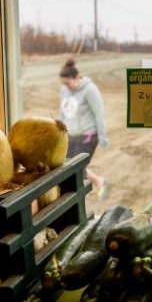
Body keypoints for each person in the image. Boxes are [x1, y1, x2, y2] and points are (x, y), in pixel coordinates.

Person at [59, 59, 110, 200]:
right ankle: (99, 181)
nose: (66, 87)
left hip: (88, 136)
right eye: (63, 84)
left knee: (77, 170)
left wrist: (103, 137)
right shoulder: (64, 90)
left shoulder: (90, 90)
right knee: (68, 168)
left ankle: (76, 202)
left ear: (77, 77)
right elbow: (62, 112)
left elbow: (99, 114)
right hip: (71, 136)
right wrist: (59, 133)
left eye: (68, 83)